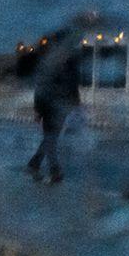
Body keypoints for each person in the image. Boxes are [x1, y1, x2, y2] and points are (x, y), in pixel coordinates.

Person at [25, 36, 81, 184]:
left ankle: (34, 163)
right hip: (48, 108)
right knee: (51, 139)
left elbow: (73, 86)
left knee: (50, 138)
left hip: (61, 108)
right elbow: (40, 89)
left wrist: (75, 104)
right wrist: (38, 110)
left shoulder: (69, 66)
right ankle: (54, 170)